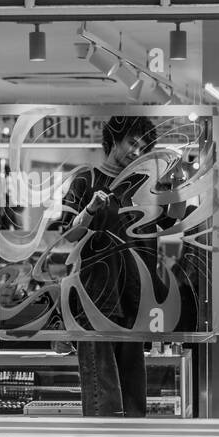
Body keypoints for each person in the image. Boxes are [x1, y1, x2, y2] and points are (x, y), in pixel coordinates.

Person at [59, 117, 160, 417]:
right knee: (104, 402)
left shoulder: (141, 185)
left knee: (134, 401)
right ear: (114, 140)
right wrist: (90, 210)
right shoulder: (85, 179)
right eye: (132, 142)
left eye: (143, 146)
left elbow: (163, 228)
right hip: (96, 301)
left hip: (134, 300)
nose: (136, 150)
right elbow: (67, 235)